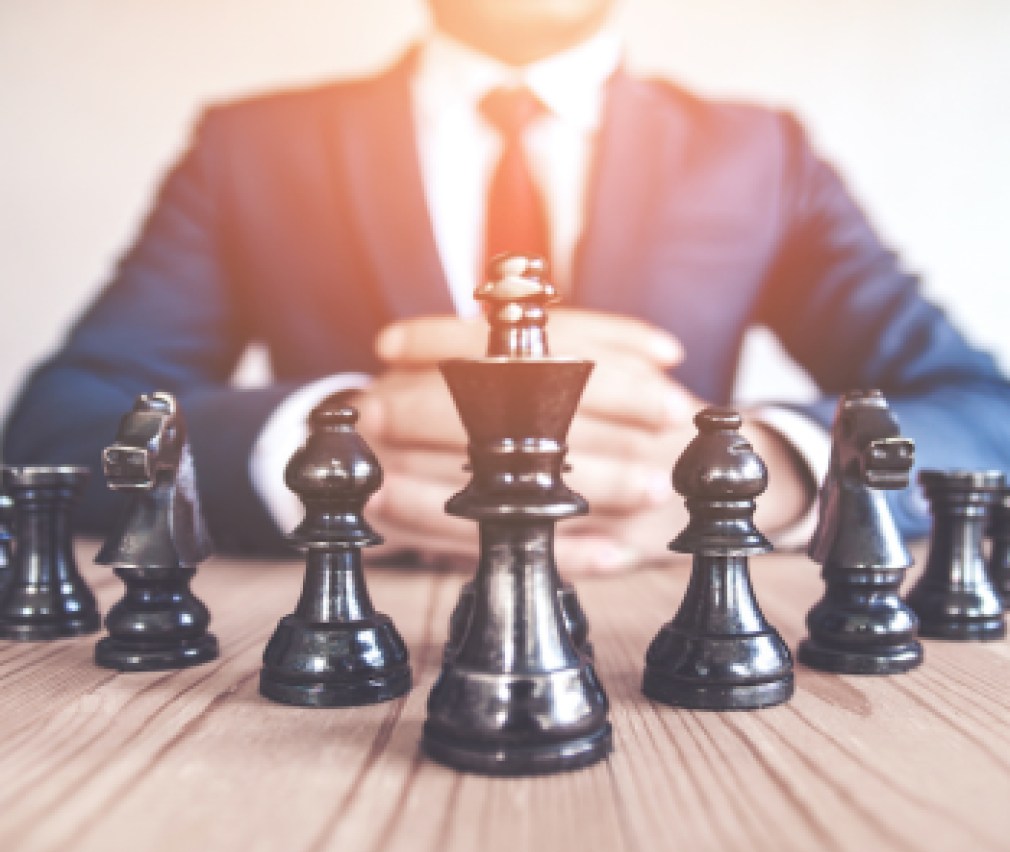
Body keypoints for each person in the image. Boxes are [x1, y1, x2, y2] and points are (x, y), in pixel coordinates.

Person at [4, 0, 1010, 571]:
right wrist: (323, 445)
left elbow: (978, 413)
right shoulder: (252, 148)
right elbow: (57, 426)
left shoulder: (761, 153)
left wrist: (764, 474)